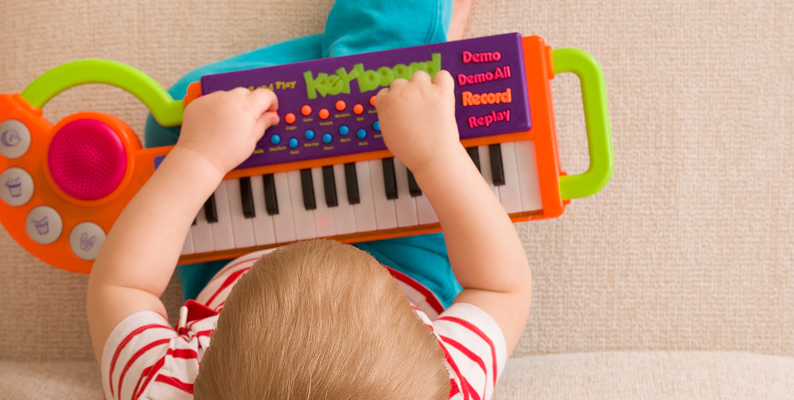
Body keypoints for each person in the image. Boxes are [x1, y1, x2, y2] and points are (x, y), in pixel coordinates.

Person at [86, 57, 529, 400]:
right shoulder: (450, 382)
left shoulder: (164, 386)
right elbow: (498, 287)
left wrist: (198, 158)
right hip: (404, 266)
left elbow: (123, 284)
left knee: (183, 110)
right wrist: (437, 155)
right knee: (403, 73)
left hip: (229, 265)